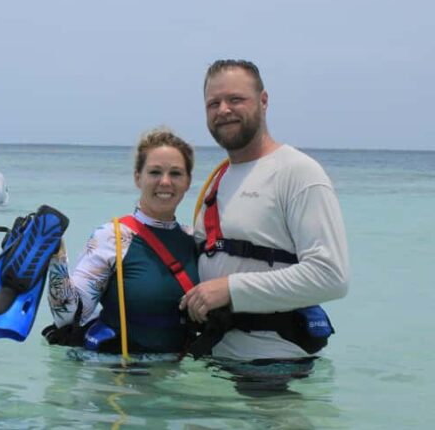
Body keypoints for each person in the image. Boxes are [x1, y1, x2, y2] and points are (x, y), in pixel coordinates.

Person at [180, 59, 349, 362]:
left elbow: (331, 276)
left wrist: (230, 289)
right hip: (216, 363)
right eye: (213, 103)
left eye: (235, 99)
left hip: (274, 371)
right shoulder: (218, 178)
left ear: (263, 101)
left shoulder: (298, 172)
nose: (223, 110)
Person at [43, 127, 199, 354]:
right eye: (155, 172)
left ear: (188, 181)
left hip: (179, 378)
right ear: (138, 178)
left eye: (175, 173)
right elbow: (69, 316)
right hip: (119, 378)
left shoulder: (195, 239)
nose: (165, 182)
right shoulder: (112, 237)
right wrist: (57, 258)